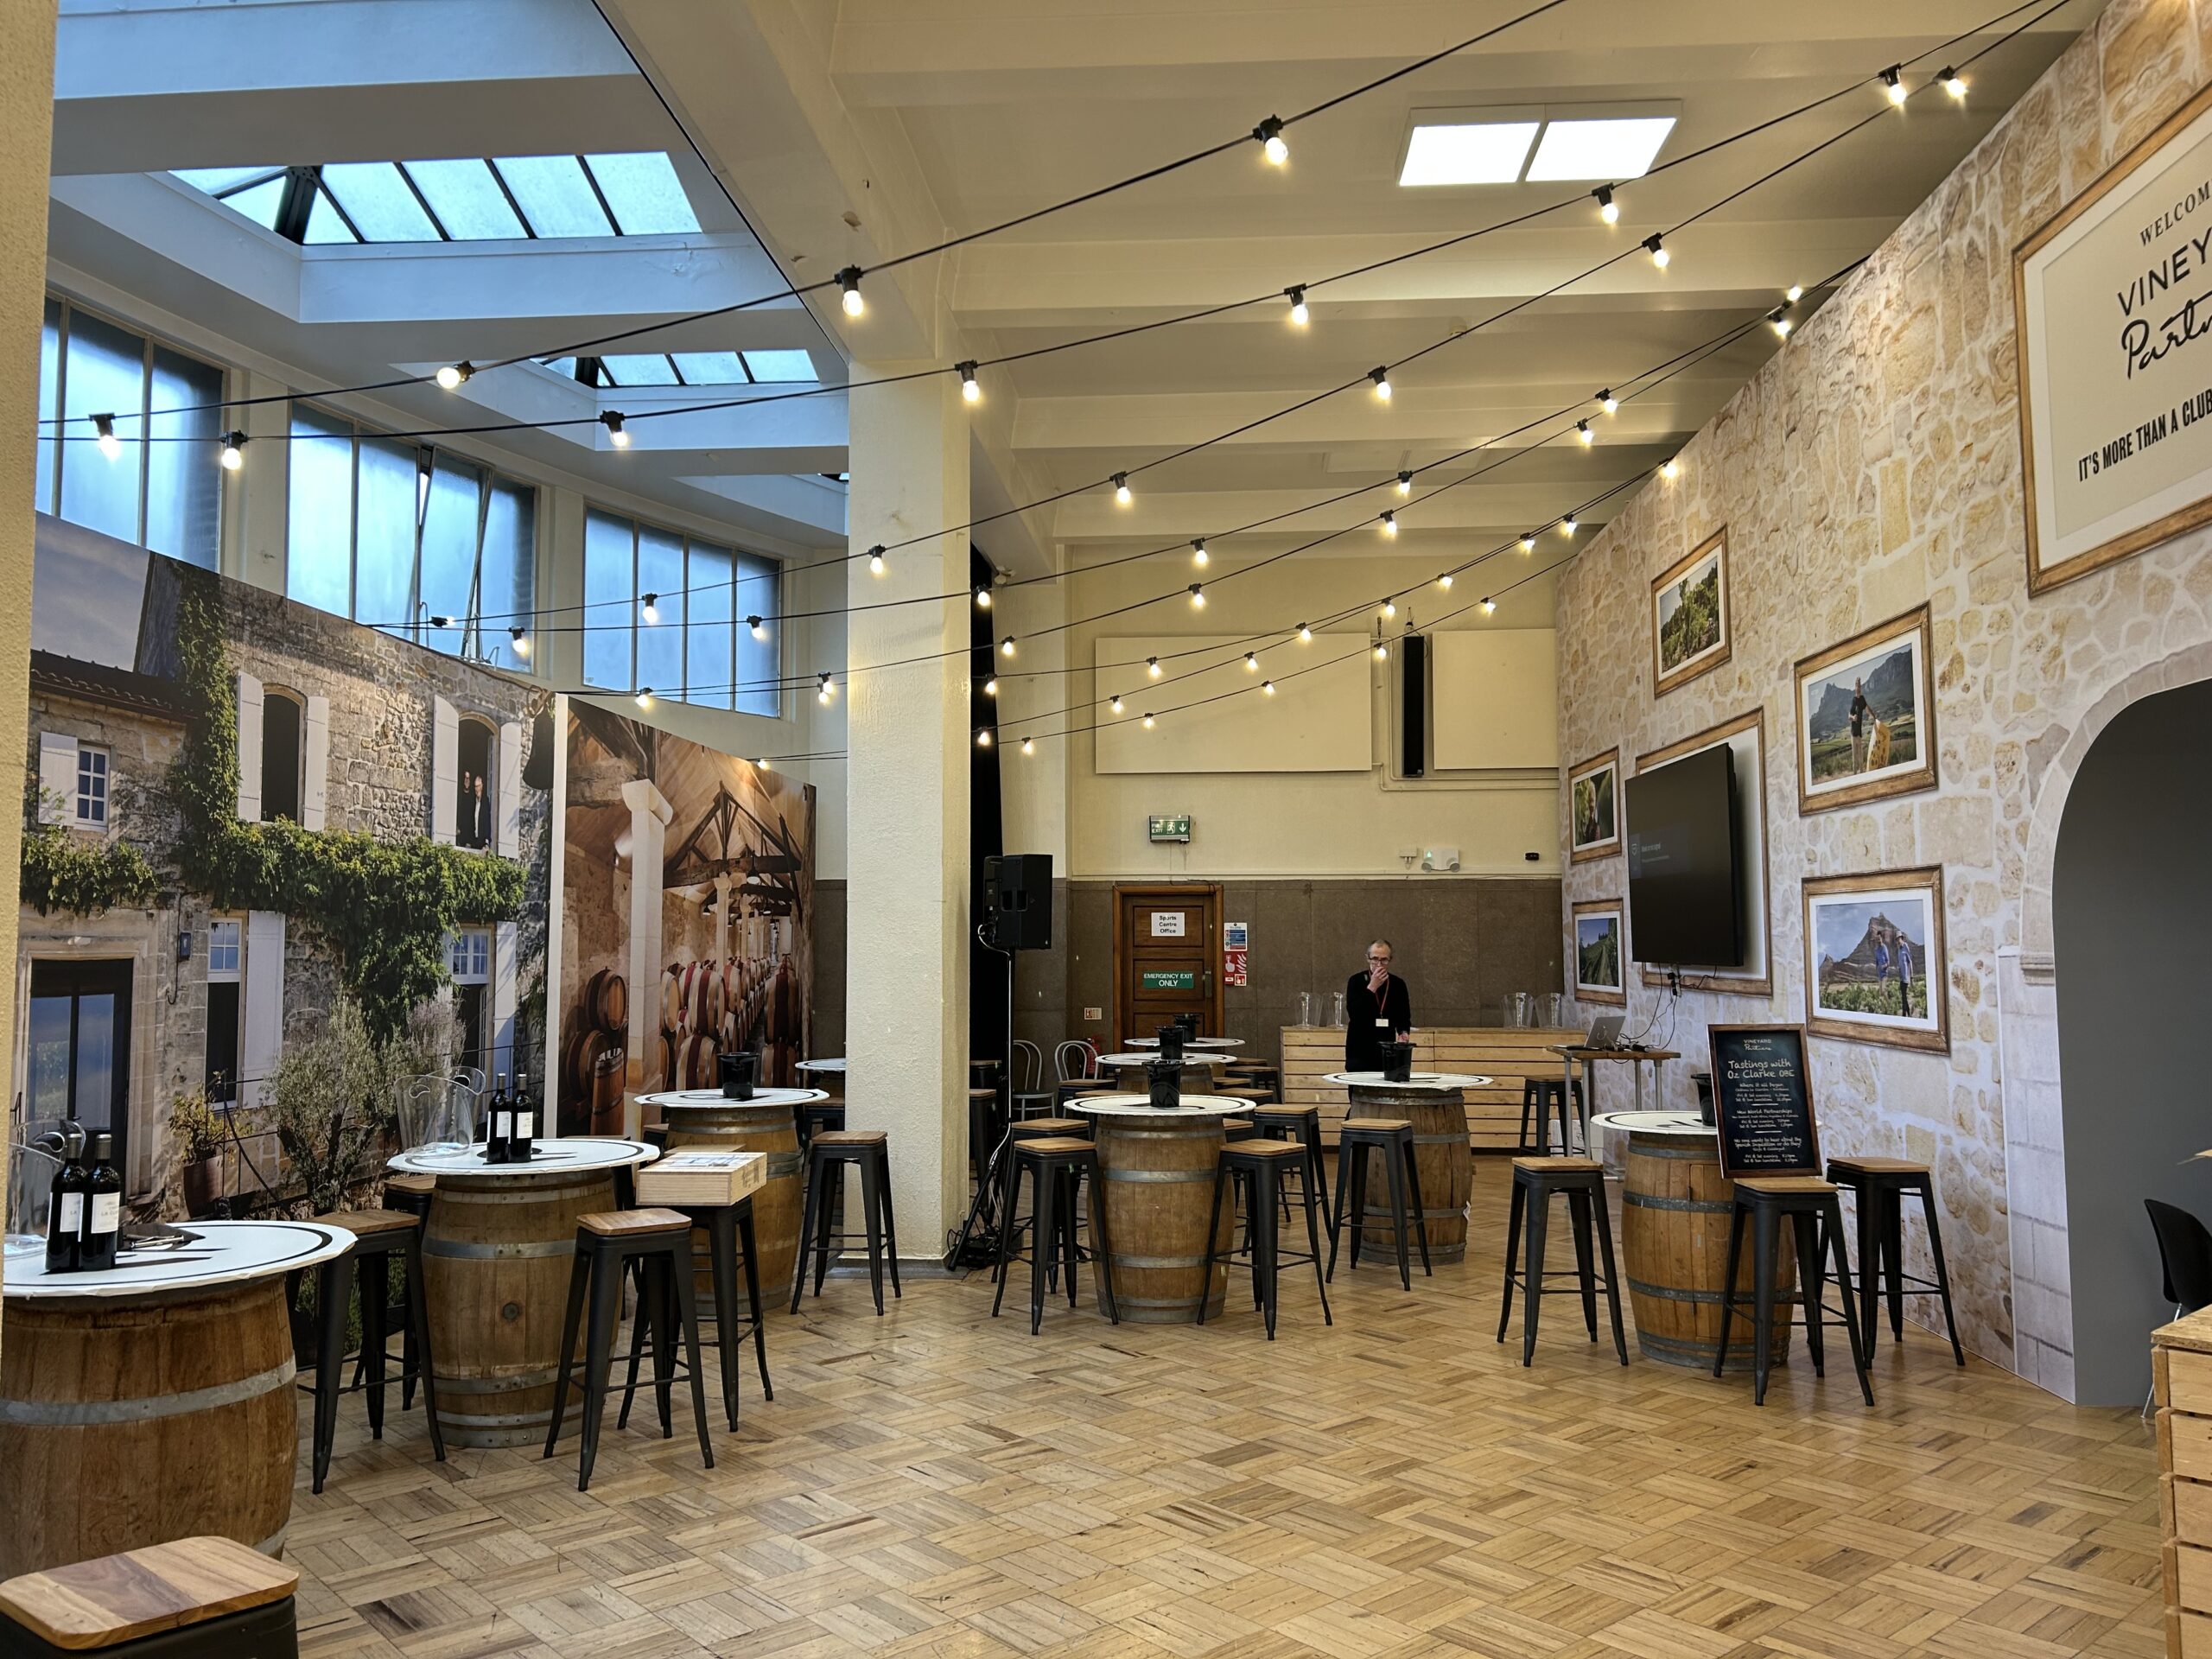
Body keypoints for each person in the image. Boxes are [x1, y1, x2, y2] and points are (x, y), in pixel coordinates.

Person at [1344, 941, 1412, 1072]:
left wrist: (1403, 1032)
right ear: (1368, 958)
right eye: (1375, 959)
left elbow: (1404, 1015)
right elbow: (1354, 1013)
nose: (1379, 964)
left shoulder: (1398, 984)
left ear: (1390, 960)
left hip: (1386, 1048)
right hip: (1359, 1049)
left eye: (1384, 960)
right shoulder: (1356, 981)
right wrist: (1372, 987)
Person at [1848, 677, 1871, 772]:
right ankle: (1855, 774)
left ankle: (1862, 773)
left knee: (1860, 755)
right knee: (1855, 756)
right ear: (1855, 688)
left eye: (1859, 686)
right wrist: (1853, 717)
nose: (1858, 688)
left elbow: (1867, 709)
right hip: (1853, 733)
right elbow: (1849, 715)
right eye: (1857, 686)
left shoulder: (1862, 699)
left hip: (1859, 733)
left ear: (1861, 688)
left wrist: (1874, 717)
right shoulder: (1853, 700)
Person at [1895, 929, 1916, 1018]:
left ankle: (1905, 1014)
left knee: (1904, 996)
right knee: (1903, 997)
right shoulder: (1899, 950)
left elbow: (1910, 961)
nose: (1898, 940)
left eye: (1899, 938)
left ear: (1902, 938)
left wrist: (1912, 977)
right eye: (1897, 939)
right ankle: (1907, 1014)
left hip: (1906, 977)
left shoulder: (1905, 946)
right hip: (1901, 977)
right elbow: (1900, 963)